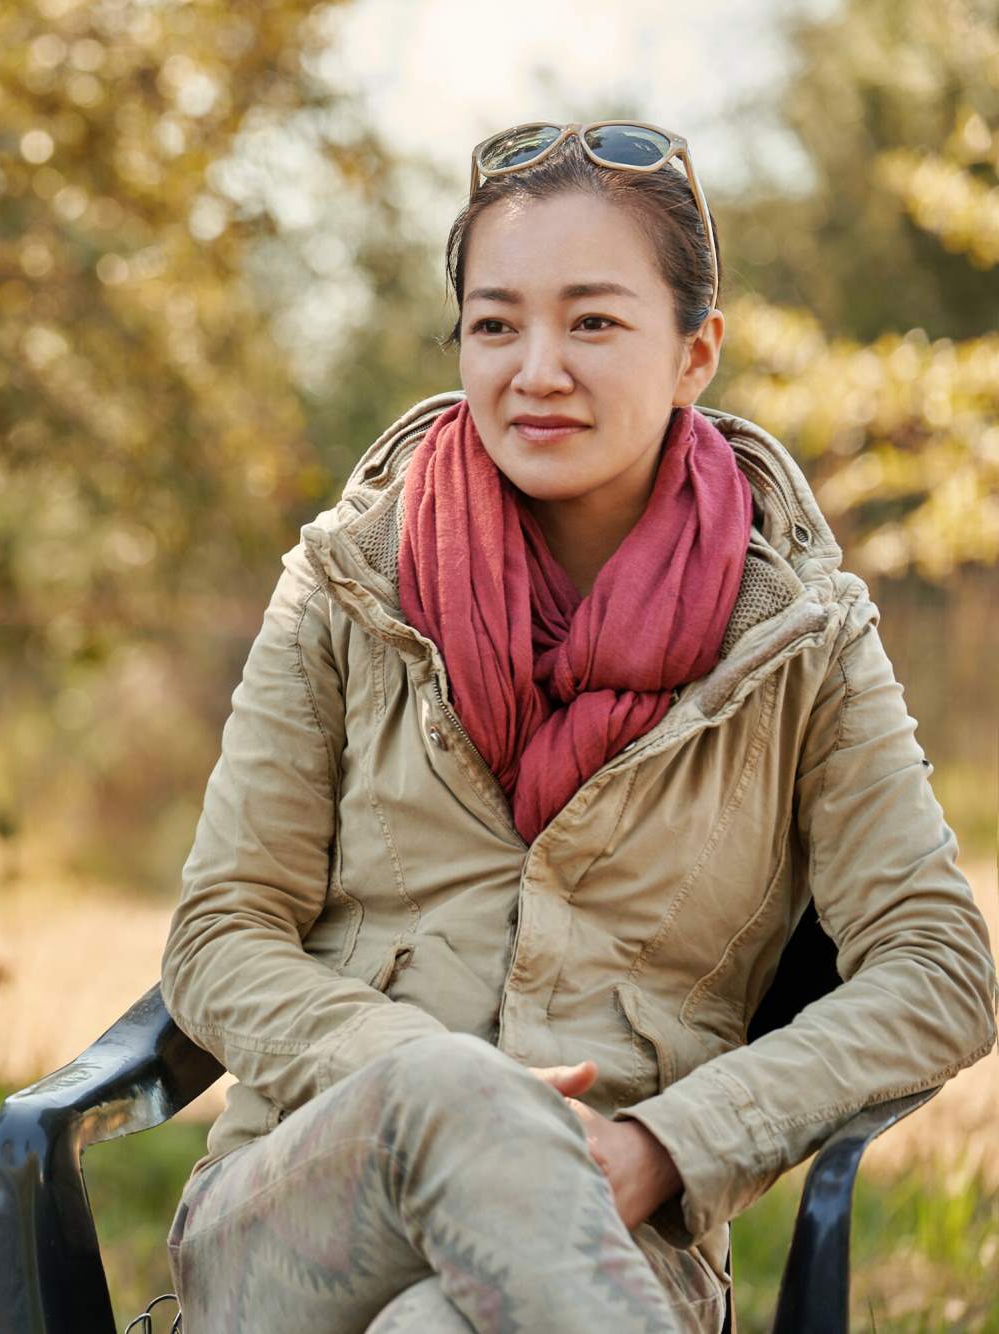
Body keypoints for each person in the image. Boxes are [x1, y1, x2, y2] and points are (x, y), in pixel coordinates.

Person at [159, 121, 997, 1333]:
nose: (534, 368)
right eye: (494, 324)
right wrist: (437, 1089)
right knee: (443, 1094)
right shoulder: (345, 584)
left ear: (693, 352)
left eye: (591, 322)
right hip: (294, 1218)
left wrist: (667, 1144)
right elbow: (216, 935)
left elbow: (939, 968)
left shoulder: (801, 640)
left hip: (607, 1243)